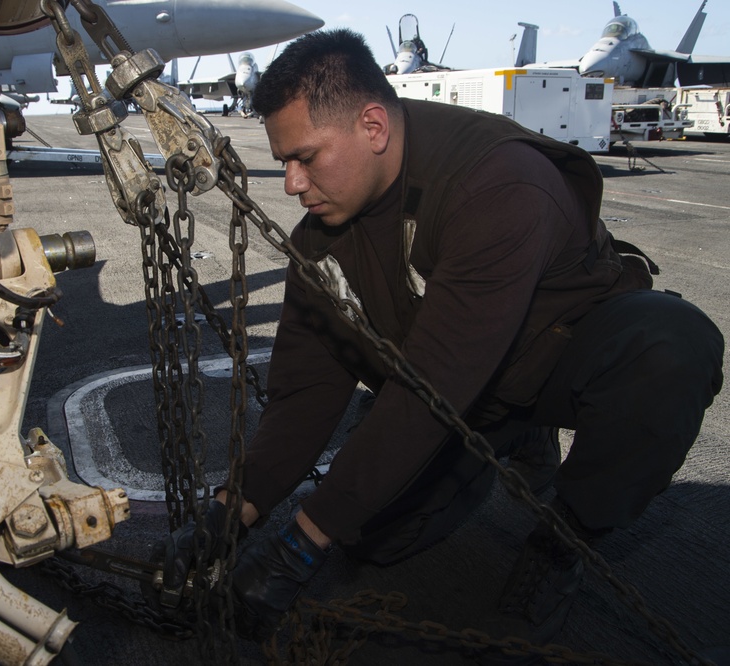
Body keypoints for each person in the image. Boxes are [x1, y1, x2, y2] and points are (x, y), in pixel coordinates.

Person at [152, 28, 725, 654]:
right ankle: (514, 437)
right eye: (284, 160)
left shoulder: (499, 184)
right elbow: (305, 393)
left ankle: (567, 538)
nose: (290, 183)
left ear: (373, 126)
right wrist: (230, 512)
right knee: (375, 538)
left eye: (305, 158)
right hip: (470, 392)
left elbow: (435, 386)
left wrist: (299, 546)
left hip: (554, 360)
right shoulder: (324, 234)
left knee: (669, 348)